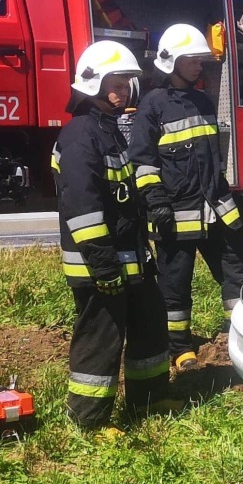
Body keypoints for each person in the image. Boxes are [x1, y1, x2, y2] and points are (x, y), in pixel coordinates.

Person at [54, 40, 170, 429]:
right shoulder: (79, 136)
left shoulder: (110, 131)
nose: (123, 91)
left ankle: (148, 401)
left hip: (131, 260)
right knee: (101, 340)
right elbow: (82, 209)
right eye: (115, 83)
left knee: (149, 325)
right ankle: (89, 422)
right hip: (99, 267)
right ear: (92, 83)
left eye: (126, 83)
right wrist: (103, 267)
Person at [129, 24, 243, 368]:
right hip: (175, 213)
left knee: (240, 265)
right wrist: (156, 202)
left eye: (201, 59)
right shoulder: (152, 107)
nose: (199, 65)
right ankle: (179, 348)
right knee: (176, 284)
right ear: (172, 61)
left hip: (216, 209)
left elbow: (210, 161)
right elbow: (142, 163)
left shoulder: (202, 101)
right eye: (192, 59)